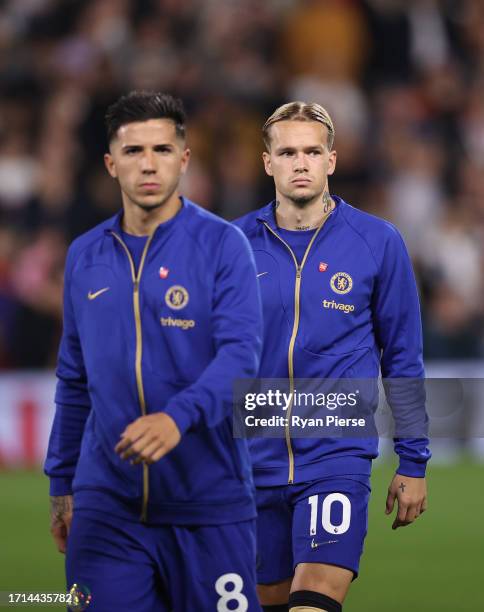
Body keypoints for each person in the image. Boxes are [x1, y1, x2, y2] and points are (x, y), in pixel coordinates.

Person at [44, 91, 263, 611]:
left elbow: (240, 359)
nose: (148, 164)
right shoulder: (85, 256)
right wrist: (61, 483)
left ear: (184, 160)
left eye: (163, 150)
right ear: (110, 163)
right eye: (134, 151)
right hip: (107, 507)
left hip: (208, 504)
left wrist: (176, 418)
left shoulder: (224, 245)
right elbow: (74, 377)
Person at [234, 102, 430, 612]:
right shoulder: (231, 246)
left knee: (316, 597)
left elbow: (403, 357)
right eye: (288, 152)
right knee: (269, 600)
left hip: (336, 455)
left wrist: (413, 459)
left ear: (332, 160)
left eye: (312, 151)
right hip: (250, 460)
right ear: (267, 163)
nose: (301, 162)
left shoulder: (378, 242)